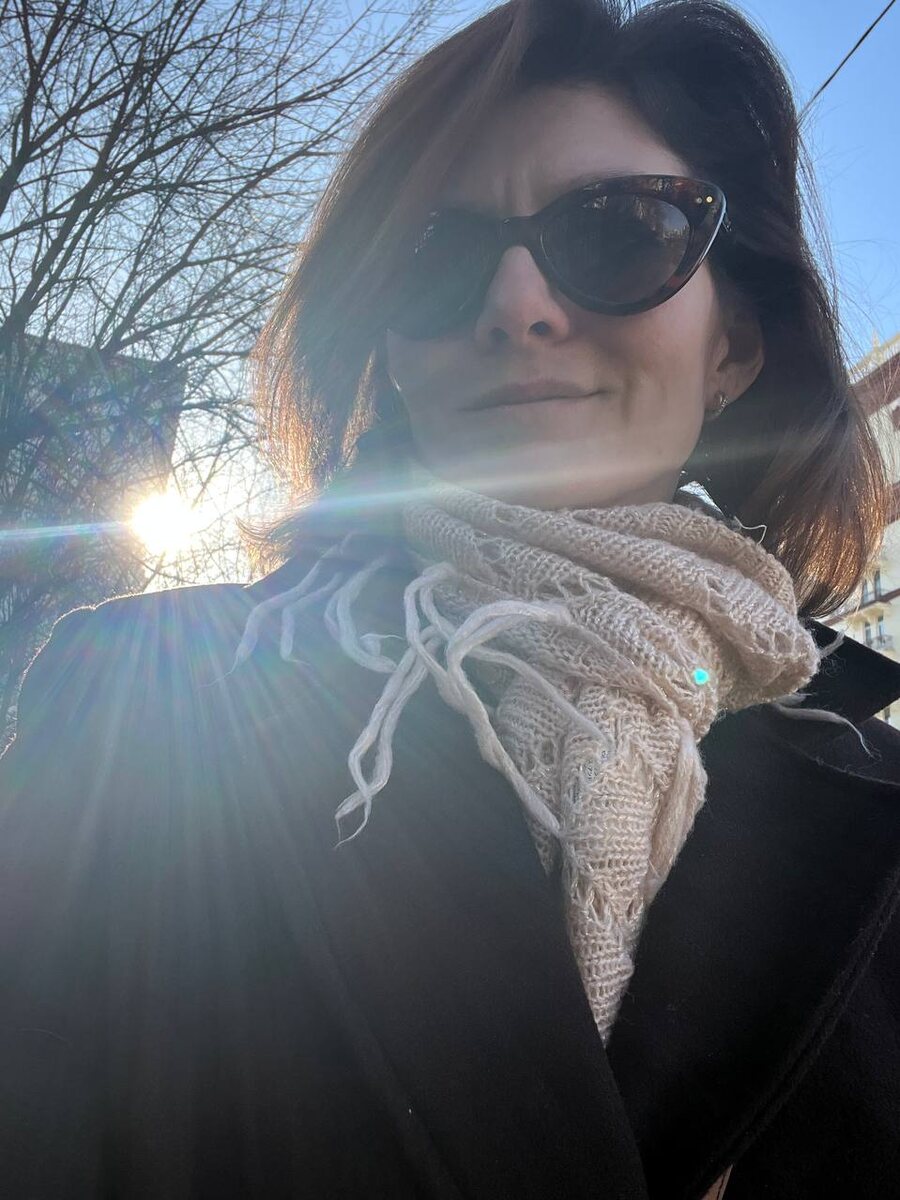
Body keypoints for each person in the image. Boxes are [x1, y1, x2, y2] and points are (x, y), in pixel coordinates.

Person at [2, 0, 899, 1195]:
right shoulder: (145, 707)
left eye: (621, 232)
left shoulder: (878, 808)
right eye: (435, 256)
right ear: (388, 354)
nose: (516, 303)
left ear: (734, 346)